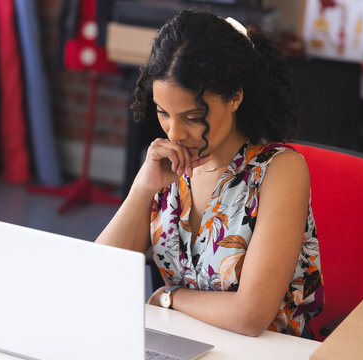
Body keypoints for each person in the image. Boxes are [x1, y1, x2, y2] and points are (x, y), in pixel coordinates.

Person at [96, 10, 323, 338]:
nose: (174, 133)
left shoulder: (279, 171)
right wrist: (143, 189)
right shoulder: (169, 168)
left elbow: (251, 316)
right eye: (163, 113)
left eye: (191, 116)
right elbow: (97, 274)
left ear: (235, 97)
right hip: (184, 343)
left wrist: (170, 297)